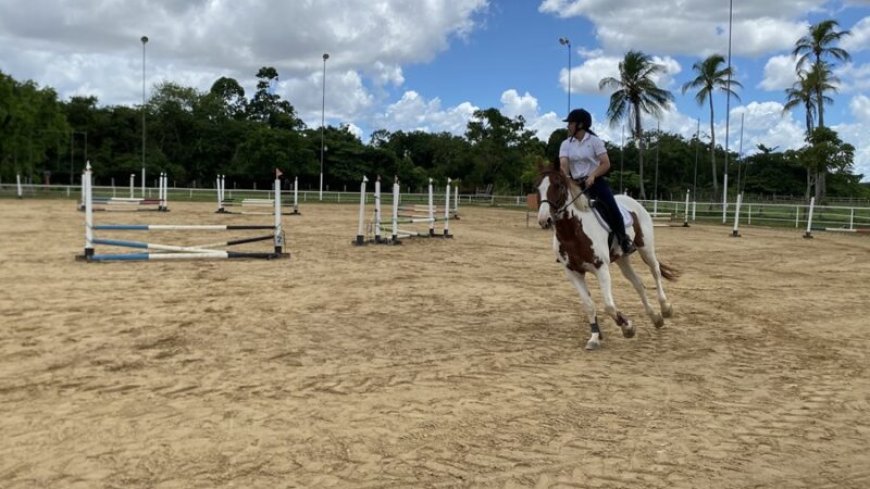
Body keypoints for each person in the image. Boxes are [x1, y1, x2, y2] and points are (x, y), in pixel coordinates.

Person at [559, 108, 636, 255]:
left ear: (580, 125)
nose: (568, 126)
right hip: (575, 184)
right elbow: (564, 164)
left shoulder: (595, 142)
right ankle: (565, 245)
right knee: (563, 210)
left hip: (595, 182)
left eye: (571, 123)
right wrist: (567, 179)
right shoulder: (566, 144)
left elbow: (605, 163)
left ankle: (623, 240)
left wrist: (593, 176)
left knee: (611, 207)